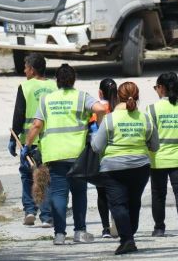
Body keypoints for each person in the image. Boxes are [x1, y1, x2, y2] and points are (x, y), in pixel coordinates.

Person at [23, 64, 106, 245]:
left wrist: (27, 145)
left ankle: (59, 234)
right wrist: (98, 129)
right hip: (77, 155)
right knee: (79, 193)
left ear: (57, 80)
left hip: (54, 154)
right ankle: (80, 232)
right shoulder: (82, 96)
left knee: (59, 195)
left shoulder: (47, 99)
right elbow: (100, 109)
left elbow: (37, 125)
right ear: (73, 79)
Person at [91, 82, 159, 255]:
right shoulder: (145, 118)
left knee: (118, 204)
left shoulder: (110, 119)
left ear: (117, 97)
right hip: (140, 167)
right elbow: (155, 146)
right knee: (134, 201)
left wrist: (93, 137)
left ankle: (127, 239)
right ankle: (129, 232)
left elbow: (97, 147)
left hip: (113, 168)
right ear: (137, 97)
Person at [147, 72, 178, 238]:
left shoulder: (152, 109)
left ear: (161, 88)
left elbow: (147, 134)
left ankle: (159, 227)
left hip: (157, 159)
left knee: (158, 193)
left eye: (156, 87)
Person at [9, 53, 56, 226]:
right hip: (49, 141)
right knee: (45, 178)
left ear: (32, 69)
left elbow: (19, 114)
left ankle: (30, 211)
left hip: (29, 140)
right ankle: (46, 216)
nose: (24, 70)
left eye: (26, 67)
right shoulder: (54, 86)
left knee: (27, 177)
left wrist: (13, 139)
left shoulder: (25, 86)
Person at [89, 78, 119, 238]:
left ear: (100, 92)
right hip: (118, 155)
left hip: (101, 157)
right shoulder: (120, 109)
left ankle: (106, 228)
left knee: (101, 193)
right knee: (117, 192)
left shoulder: (96, 111)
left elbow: (91, 130)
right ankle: (117, 221)